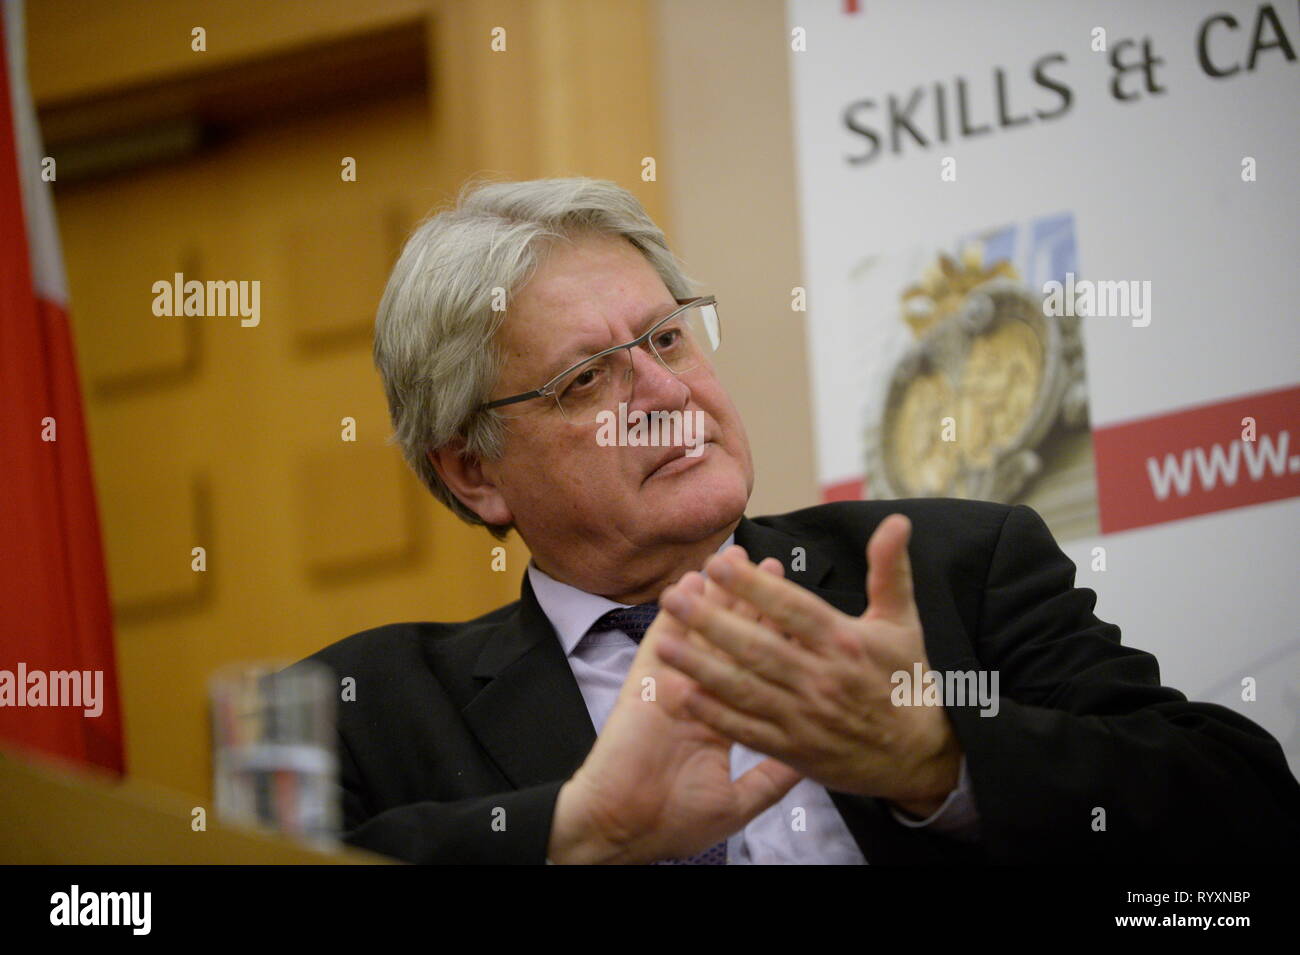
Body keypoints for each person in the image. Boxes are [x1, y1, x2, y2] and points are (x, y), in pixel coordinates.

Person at [299, 177, 1300, 864]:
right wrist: (580, 831)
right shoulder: (364, 712)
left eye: (667, 337)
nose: (665, 390)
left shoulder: (952, 570)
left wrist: (939, 762)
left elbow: (1243, 811)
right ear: (476, 472)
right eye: (585, 378)